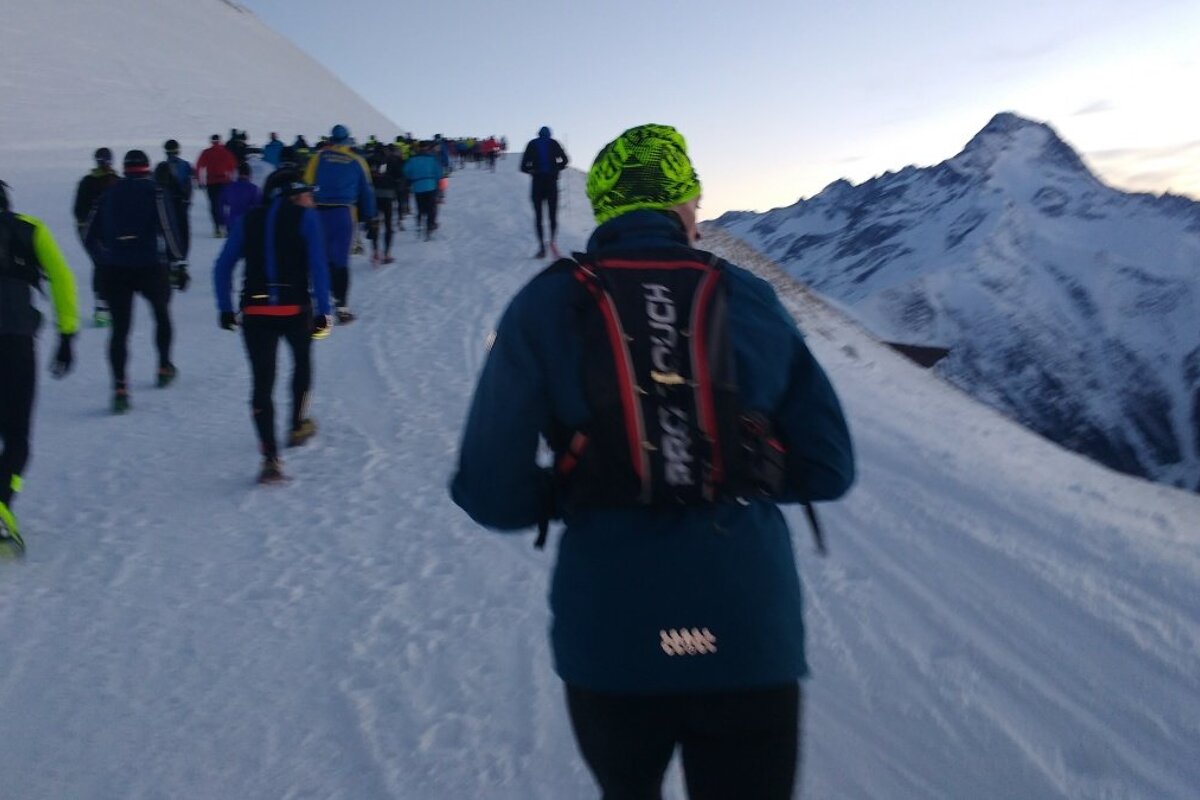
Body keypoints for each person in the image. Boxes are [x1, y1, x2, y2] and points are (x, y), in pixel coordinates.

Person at [450, 124, 855, 799]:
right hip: (749, 631)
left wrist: (576, 483)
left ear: (607, 207)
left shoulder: (547, 302)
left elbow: (492, 495)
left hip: (610, 639)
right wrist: (732, 464)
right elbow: (830, 467)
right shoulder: (749, 297)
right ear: (682, 206)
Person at [213, 178, 332, 484]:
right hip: (295, 310)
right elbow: (319, 266)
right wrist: (324, 312)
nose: (311, 200)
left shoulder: (247, 219)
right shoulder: (306, 219)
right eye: (307, 194)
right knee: (302, 365)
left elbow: (223, 266)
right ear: (292, 196)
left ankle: (270, 458)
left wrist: (225, 308)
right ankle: (297, 425)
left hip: (255, 311)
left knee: (262, 381)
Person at [0, 179, 79, 553]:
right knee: (17, 435)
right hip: (15, 339)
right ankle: (2, 502)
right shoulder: (30, 228)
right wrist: (67, 334)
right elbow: (62, 279)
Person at [85, 150, 187, 413]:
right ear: (147, 168)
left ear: (125, 168)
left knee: (119, 330)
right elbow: (168, 228)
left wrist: (103, 258)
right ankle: (164, 366)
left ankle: (120, 387)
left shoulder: (109, 194)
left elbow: (89, 234)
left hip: (116, 269)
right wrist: (179, 261)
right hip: (151, 265)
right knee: (162, 315)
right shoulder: (156, 192)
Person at [303, 124, 376, 324]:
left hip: (318, 212)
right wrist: (370, 217)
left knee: (317, 256)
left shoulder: (318, 157)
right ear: (347, 140)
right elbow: (366, 191)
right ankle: (342, 307)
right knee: (340, 261)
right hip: (344, 213)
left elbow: (306, 183)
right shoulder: (358, 161)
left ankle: (313, 301)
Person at [72, 147, 120, 326]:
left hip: (111, 234)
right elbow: (78, 210)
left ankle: (108, 305)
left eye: (106, 161)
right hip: (93, 235)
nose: (105, 165)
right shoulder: (89, 182)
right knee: (102, 266)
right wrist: (85, 225)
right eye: (102, 161)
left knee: (110, 267)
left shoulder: (116, 181)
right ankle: (102, 308)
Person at [519, 125, 569, 258]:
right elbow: (565, 160)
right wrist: (557, 168)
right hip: (552, 183)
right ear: (550, 134)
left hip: (537, 184)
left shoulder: (531, 144)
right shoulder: (554, 143)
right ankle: (552, 242)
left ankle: (542, 247)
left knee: (539, 217)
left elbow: (523, 166)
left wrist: (533, 171)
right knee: (552, 215)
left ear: (538, 134)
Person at [154, 139, 194, 266]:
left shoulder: (161, 167)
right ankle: (181, 255)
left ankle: (171, 256)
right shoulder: (185, 165)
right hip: (181, 203)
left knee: (168, 229)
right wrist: (187, 200)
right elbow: (189, 185)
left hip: (166, 203)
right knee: (182, 231)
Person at [196, 133, 237, 237]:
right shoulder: (226, 153)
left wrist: (200, 181)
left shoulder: (206, 152)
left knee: (214, 205)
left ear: (211, 141)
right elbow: (233, 167)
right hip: (225, 181)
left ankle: (217, 228)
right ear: (220, 141)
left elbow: (199, 167)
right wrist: (232, 180)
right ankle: (227, 228)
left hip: (211, 182)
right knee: (225, 206)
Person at [402, 141, 442, 240]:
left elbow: (406, 171)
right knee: (431, 208)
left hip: (417, 186)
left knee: (420, 207)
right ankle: (429, 229)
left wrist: (412, 179)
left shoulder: (412, 159)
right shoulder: (432, 159)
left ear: (418, 148)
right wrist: (437, 182)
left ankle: (419, 225)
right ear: (428, 148)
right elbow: (438, 172)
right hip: (430, 185)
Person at [219, 161, 262, 233]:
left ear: (238, 174)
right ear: (249, 174)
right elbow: (258, 207)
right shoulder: (254, 189)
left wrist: (223, 220)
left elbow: (221, 205)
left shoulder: (229, 187)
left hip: (232, 223)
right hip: (248, 223)